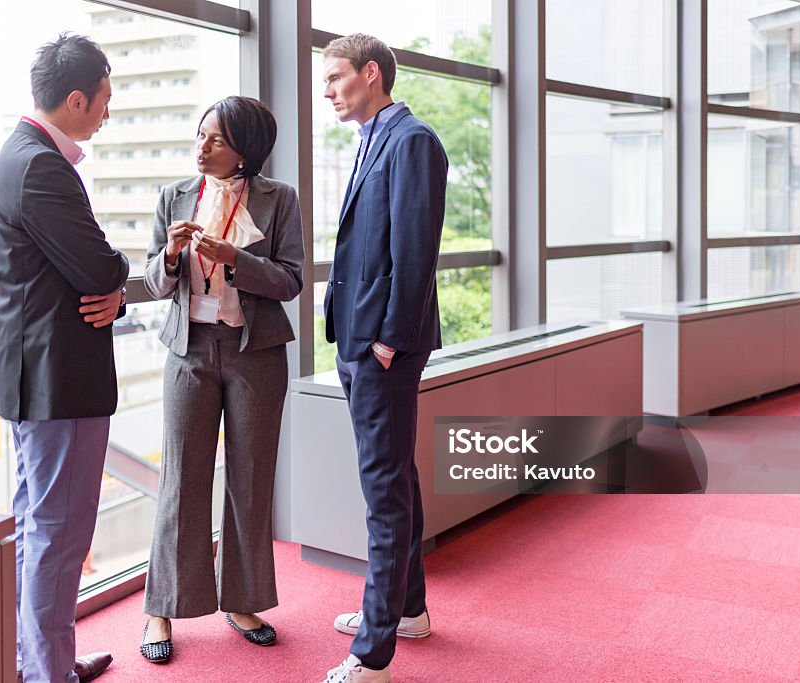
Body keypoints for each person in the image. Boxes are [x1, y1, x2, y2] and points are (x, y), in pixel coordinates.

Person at [139, 95, 304, 663]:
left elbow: (291, 282)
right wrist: (169, 256)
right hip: (188, 351)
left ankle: (243, 600)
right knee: (181, 481)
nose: (202, 148)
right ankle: (161, 608)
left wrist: (235, 257)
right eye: (200, 135)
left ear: (245, 149)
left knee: (251, 481)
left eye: (216, 139)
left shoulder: (279, 199)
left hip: (255, 353)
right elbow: (153, 284)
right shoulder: (174, 197)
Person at [0, 33, 128, 683]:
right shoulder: (40, 165)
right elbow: (99, 263)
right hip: (58, 384)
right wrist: (119, 277)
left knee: (39, 529)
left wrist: (112, 290)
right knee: (56, 538)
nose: (107, 110)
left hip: (35, 381)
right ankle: (49, 672)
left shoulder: (21, 155)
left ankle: (41, 661)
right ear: (76, 98)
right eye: (104, 98)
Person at [320, 34, 448, 683]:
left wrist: (389, 340)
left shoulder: (412, 140)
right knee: (395, 475)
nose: (327, 89)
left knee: (383, 492)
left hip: (384, 347)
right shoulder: (374, 139)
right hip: (360, 340)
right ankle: (410, 609)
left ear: (372, 74)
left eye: (336, 76)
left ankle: (373, 653)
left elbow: (416, 248)